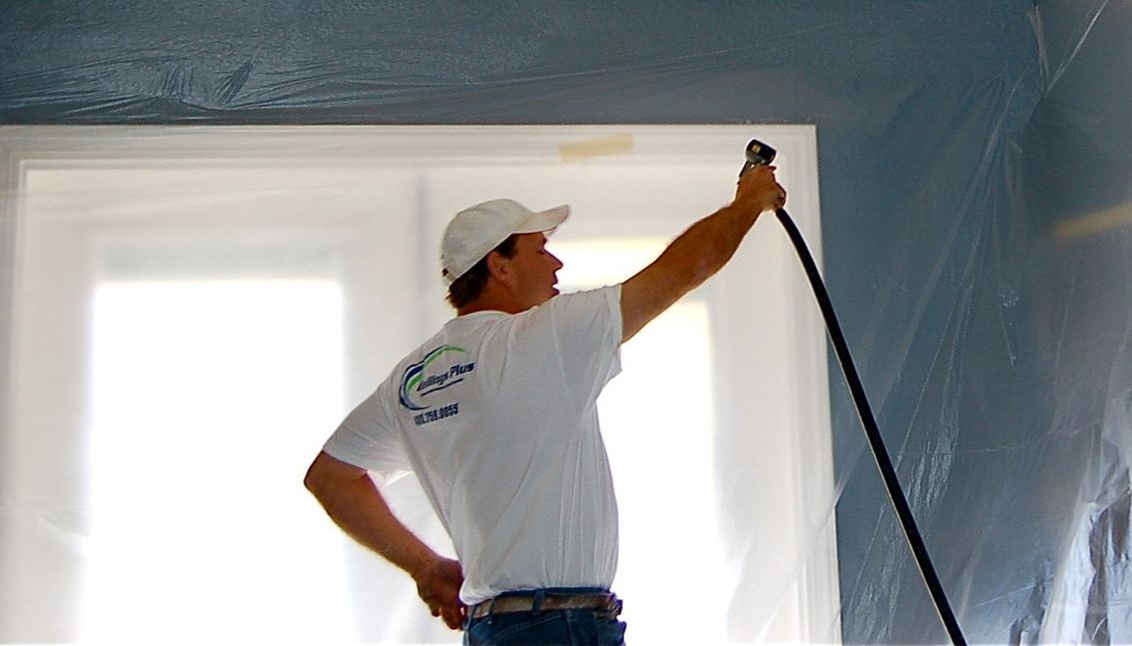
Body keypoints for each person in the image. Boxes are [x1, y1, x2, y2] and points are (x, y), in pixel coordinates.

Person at [304, 162, 787, 644]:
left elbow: (330, 477)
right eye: (541, 248)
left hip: (490, 627)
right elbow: (685, 269)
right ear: (500, 265)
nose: (555, 264)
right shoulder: (543, 336)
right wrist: (750, 202)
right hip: (561, 625)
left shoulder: (415, 378)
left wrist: (426, 568)